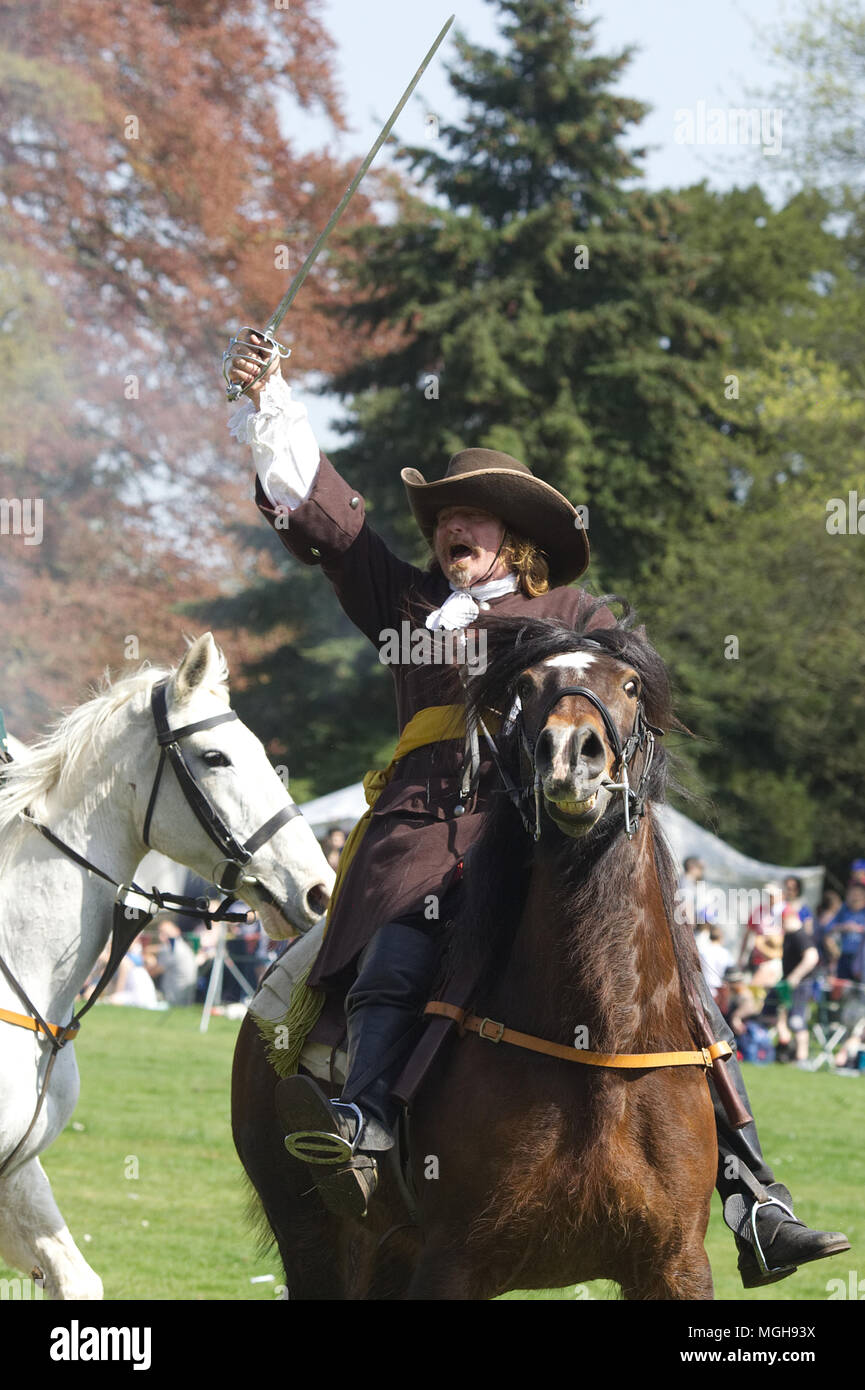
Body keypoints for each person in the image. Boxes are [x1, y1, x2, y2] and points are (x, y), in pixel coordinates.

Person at [223, 333, 848, 1288]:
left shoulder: (576, 614)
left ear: (514, 538)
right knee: (402, 926)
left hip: (551, 838)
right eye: (441, 521)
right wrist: (272, 400)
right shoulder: (406, 606)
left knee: (669, 968)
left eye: (467, 519)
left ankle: (751, 1192)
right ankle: (369, 1113)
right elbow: (336, 529)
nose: (449, 532)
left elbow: (631, 707)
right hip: (427, 829)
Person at [776, 907, 820, 1065]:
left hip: (800, 985)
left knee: (797, 1020)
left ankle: (802, 1057)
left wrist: (795, 976)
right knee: (785, 1018)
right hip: (791, 984)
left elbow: (812, 957)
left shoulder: (799, 935)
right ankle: (790, 1054)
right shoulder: (790, 935)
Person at [824, 882, 865, 982]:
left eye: (858, 895)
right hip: (845, 956)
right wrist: (843, 927)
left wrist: (859, 929)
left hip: (861, 958)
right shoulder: (844, 910)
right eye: (852, 894)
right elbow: (828, 928)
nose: (855, 898)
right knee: (843, 987)